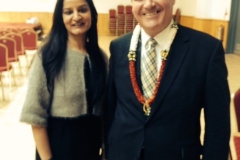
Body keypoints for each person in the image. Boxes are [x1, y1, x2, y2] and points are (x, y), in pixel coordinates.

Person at [104, 0, 230, 160]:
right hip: (122, 153)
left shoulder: (206, 50)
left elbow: (218, 124)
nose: (149, 4)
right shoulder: (119, 47)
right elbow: (111, 108)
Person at [19, 0, 107, 159]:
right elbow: (35, 115)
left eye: (82, 9)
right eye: (68, 12)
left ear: (92, 14)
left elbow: (104, 111)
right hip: (57, 148)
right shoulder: (48, 57)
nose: (76, 16)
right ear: (60, 17)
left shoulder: (101, 58)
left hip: (90, 149)